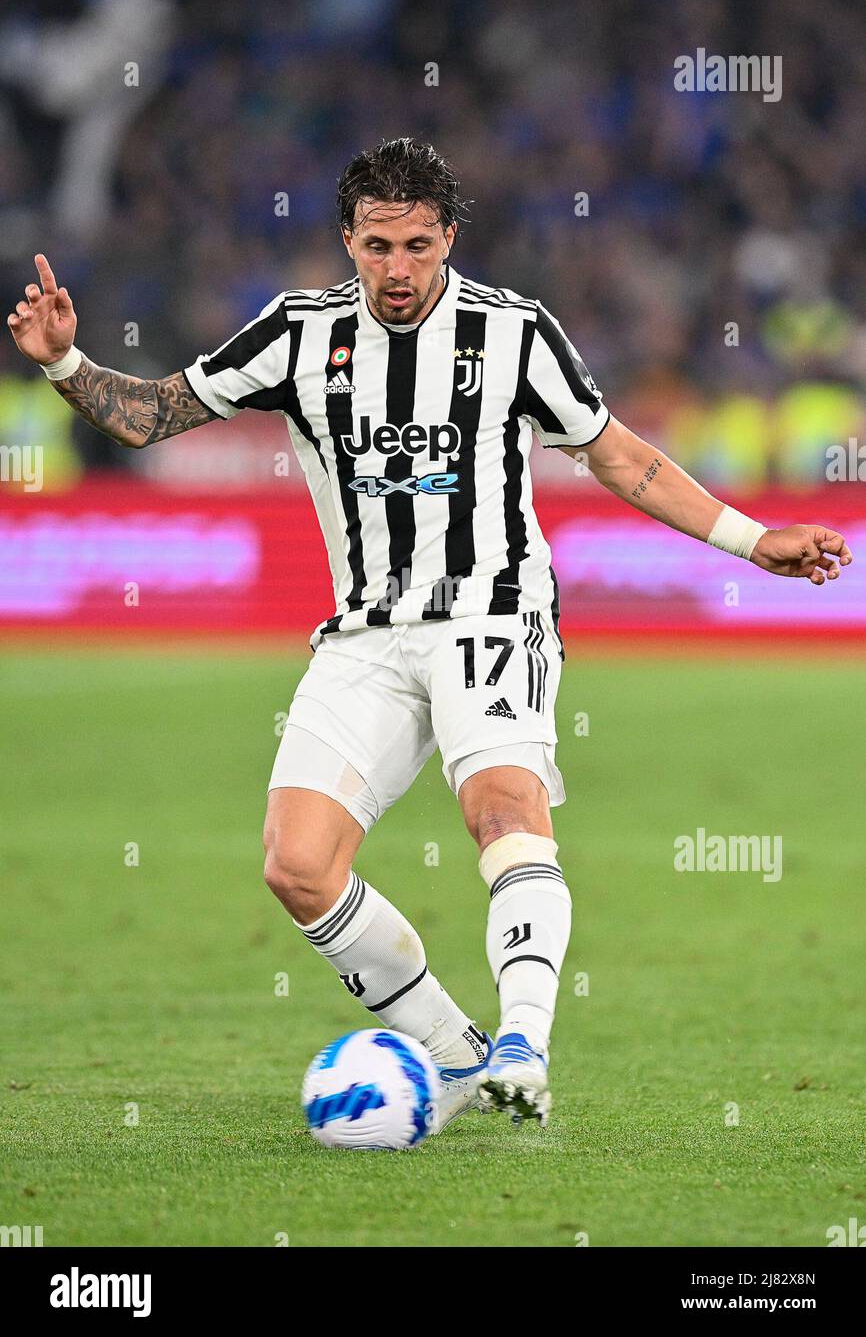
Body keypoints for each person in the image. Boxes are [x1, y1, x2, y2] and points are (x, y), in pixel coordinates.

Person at [8, 137, 853, 1132]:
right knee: (296, 864)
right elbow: (152, 416)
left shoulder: (513, 333)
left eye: (416, 244)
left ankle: (524, 1045)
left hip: (492, 612)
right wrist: (65, 361)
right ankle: (457, 1059)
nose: (397, 269)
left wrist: (754, 543)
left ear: (449, 236)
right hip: (363, 634)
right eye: (376, 246)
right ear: (347, 242)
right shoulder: (294, 333)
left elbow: (620, 458)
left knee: (501, 812)